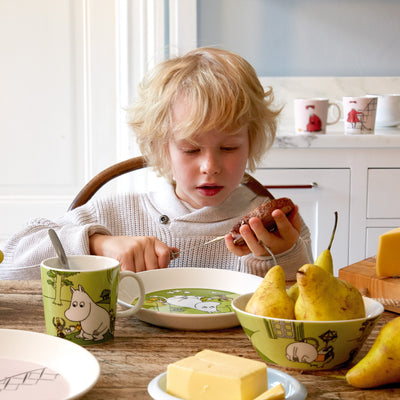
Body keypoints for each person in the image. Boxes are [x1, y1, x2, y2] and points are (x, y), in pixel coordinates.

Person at [1, 47, 313, 280]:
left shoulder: (279, 228)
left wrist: (284, 255)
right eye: (191, 150)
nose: (210, 166)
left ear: (251, 141)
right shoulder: (118, 216)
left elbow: (302, 308)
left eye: (229, 147)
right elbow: (11, 264)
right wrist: (97, 245)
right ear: (161, 147)